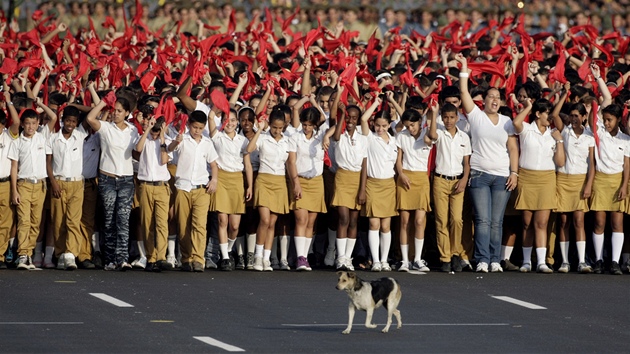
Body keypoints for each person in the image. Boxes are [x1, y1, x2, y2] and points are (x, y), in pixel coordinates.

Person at [455, 53, 519, 273]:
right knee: (482, 220)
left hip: (502, 176)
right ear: (484, 100)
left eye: (497, 97)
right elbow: (463, 91)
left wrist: (514, 172)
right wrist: (464, 68)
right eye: (490, 96)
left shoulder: (507, 121)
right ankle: (482, 258)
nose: (494, 100)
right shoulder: (476, 116)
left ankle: (494, 259)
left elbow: (512, 148)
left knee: (496, 221)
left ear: (501, 102)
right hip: (480, 175)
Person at [85, 96, 139, 271]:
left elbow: (138, 151)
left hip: (126, 180)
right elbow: (90, 119)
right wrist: (103, 102)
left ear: (127, 113)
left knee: (123, 220)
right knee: (109, 219)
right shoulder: (106, 127)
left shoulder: (133, 130)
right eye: (114, 110)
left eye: (119, 111)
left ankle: (122, 258)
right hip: (107, 179)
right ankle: (109, 259)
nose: (116, 113)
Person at [512, 98, 565, 273]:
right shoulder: (527, 129)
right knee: (527, 222)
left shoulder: (553, 133)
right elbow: (516, 122)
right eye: (547, 113)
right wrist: (528, 106)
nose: (550, 117)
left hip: (547, 179)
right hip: (527, 177)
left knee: (542, 222)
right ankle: (527, 261)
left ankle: (541, 262)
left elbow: (560, 161)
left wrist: (559, 141)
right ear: (537, 114)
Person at [551, 86, 595, 274]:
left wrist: (588, 185)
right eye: (572, 115)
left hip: (580, 181)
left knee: (579, 221)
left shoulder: (590, 136)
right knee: (563, 221)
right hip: (563, 179)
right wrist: (563, 95)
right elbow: (554, 115)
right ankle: (565, 261)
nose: (575, 118)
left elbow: (592, 164)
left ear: (584, 117)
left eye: (578, 115)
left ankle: (582, 261)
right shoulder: (565, 131)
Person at [9, 100, 58, 270]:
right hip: (24, 184)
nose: (30, 127)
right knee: (24, 221)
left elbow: (53, 117)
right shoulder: (17, 142)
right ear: (22, 124)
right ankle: (23, 254)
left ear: (38, 124)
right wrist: (14, 190)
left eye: (34, 123)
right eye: (27, 123)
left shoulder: (42, 136)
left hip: (40, 185)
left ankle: (29, 253)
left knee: (36, 222)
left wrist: (40, 105)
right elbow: (14, 167)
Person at [168, 111, 219, 272]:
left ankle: (198, 258)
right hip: (183, 186)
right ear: (189, 124)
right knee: (183, 224)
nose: (197, 130)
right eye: (194, 127)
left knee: (199, 224)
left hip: (201, 188)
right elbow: (169, 150)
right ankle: (186, 257)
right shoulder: (183, 139)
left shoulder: (207, 143)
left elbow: (213, 164)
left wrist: (214, 179)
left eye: (200, 128)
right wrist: (176, 142)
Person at [323, 88, 367, 271]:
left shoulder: (363, 138)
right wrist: (342, 114)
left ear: (358, 120)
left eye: (354, 118)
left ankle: (348, 257)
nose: (350, 121)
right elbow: (336, 135)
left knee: (354, 221)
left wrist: (363, 189)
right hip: (342, 177)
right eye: (348, 117)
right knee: (342, 217)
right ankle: (340, 257)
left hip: (357, 179)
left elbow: (365, 164)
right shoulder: (338, 135)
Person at [427, 102, 472, 273]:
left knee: (457, 220)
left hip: (457, 181)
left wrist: (464, 179)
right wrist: (433, 114)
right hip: (440, 180)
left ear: (457, 117)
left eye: (452, 117)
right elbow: (431, 135)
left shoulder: (464, 137)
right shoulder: (439, 132)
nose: (449, 121)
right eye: (445, 117)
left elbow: (467, 163)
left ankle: (455, 253)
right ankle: (445, 257)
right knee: (441, 219)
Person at [208, 107, 253, 271]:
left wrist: (250, 186)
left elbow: (248, 166)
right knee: (222, 221)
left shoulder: (243, 141)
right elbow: (210, 117)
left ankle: (227, 250)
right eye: (227, 120)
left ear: (238, 122)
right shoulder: (217, 137)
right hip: (221, 178)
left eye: (233, 120)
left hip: (236, 181)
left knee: (234, 226)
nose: (230, 123)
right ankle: (225, 258)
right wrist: (218, 105)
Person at [247, 110, 291, 271]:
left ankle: (266, 258)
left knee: (272, 223)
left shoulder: (288, 142)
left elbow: (291, 164)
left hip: (280, 181)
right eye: (274, 127)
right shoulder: (263, 138)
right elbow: (250, 149)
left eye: (280, 128)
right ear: (270, 124)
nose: (277, 131)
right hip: (264, 180)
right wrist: (259, 129)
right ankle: (257, 257)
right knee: (264, 220)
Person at [46, 105, 89, 270]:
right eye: (68, 120)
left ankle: (71, 254)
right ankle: (60, 254)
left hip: (77, 183)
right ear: (63, 121)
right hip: (59, 182)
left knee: (73, 220)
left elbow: (92, 112)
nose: (70, 124)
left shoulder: (80, 135)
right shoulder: (53, 138)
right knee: (58, 221)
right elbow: (48, 162)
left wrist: (75, 104)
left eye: (74, 121)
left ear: (77, 123)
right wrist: (53, 182)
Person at [589, 103, 629, 275]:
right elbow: (594, 115)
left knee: (617, 223)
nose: (606, 123)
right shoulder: (600, 135)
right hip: (600, 180)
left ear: (618, 119)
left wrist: (624, 186)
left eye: (610, 120)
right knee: (599, 222)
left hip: (617, 182)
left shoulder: (626, 140)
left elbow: (627, 166)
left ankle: (614, 261)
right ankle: (598, 260)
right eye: (604, 120)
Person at [360, 98, 398, 272]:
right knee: (374, 224)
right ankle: (375, 260)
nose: (380, 129)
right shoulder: (370, 138)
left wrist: (391, 101)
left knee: (386, 225)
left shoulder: (394, 140)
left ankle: (384, 260)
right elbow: (362, 119)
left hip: (389, 184)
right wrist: (375, 103)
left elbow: (403, 117)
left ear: (389, 124)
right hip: (373, 184)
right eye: (377, 125)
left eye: (384, 125)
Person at [287, 107, 327, 271]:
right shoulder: (295, 137)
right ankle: (300, 257)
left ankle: (305, 255)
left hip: (317, 181)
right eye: (304, 124)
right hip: (300, 179)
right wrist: (295, 183)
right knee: (301, 219)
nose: (307, 128)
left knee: (311, 222)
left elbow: (327, 119)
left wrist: (313, 101)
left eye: (310, 125)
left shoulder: (321, 137)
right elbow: (291, 162)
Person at [395, 108, 432, 272]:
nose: (411, 129)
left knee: (419, 221)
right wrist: (401, 174)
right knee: (404, 221)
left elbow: (431, 139)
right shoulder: (402, 136)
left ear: (419, 121)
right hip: (405, 178)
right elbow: (398, 159)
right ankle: (404, 260)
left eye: (413, 125)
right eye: (407, 126)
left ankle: (417, 259)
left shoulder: (427, 133)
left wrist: (430, 120)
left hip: (422, 178)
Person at [134, 117, 172, 272]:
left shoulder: (166, 141)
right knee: (147, 222)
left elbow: (164, 160)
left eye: (158, 130)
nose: (155, 134)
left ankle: (161, 256)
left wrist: (162, 137)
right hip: (145, 186)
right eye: (154, 131)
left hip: (162, 186)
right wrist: (147, 130)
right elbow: (138, 149)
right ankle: (151, 257)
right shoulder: (143, 138)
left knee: (162, 223)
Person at [0, 92, 20, 269]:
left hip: (5, 184)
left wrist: (8, 102)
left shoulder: (8, 135)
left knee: (5, 222)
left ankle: (0, 255)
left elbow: (17, 122)